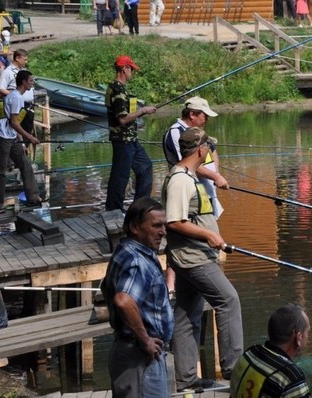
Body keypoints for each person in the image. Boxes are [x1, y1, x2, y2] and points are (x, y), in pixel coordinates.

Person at [162, 127, 243, 391]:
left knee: (187, 313)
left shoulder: (189, 175)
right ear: (200, 150)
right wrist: (208, 234)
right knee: (228, 300)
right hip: (192, 258)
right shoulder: (180, 180)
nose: (210, 150)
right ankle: (235, 369)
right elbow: (174, 222)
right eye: (208, 146)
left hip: (192, 256)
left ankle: (186, 378)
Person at [101, 197, 174, 397]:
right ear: (134, 226)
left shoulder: (125, 251)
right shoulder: (137, 261)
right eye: (156, 226)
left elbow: (107, 288)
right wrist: (145, 340)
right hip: (139, 357)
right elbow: (123, 301)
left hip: (131, 353)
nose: (163, 231)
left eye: (164, 226)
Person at [162, 96, 229, 293]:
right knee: (179, 236)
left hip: (203, 192)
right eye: (203, 115)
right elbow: (186, 162)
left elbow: (213, 152)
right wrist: (215, 176)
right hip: (187, 193)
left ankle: (208, 277)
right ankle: (171, 284)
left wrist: (215, 174)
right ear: (192, 114)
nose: (206, 119)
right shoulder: (176, 133)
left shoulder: (200, 135)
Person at [230, 304, 312, 398]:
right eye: (307, 332)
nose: (308, 338)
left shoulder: (250, 353)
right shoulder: (290, 376)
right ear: (299, 336)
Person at [105, 55, 156, 212]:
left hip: (131, 139)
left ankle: (140, 207)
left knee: (145, 166)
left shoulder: (117, 88)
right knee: (120, 176)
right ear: (124, 69)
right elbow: (122, 119)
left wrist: (136, 120)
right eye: (131, 69)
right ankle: (113, 210)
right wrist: (143, 111)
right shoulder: (118, 90)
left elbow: (127, 117)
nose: (132, 72)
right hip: (122, 140)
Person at [0, 70, 42, 215]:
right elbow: (14, 123)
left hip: (11, 137)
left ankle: (33, 197)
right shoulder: (17, 97)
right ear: (24, 82)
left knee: (25, 164)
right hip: (2, 136)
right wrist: (29, 138)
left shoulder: (13, 95)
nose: (32, 83)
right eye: (31, 80)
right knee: (1, 171)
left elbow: (14, 124)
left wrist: (21, 143)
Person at [0, 49, 35, 134]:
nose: (26, 62)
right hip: (17, 106)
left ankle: (25, 146)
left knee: (28, 129)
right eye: (25, 59)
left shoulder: (23, 71)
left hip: (29, 106)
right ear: (17, 58)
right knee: (19, 131)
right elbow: (0, 88)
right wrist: (15, 95)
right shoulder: (7, 72)